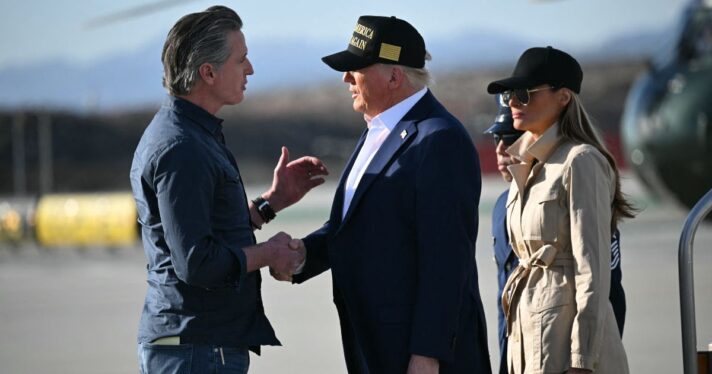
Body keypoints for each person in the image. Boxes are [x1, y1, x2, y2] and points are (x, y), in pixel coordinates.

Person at [274, 15, 491, 374]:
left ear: (394, 76)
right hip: (376, 347)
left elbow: (447, 257)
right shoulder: (380, 129)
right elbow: (359, 226)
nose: (346, 78)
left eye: (356, 68)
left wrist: (428, 354)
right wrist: (304, 257)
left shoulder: (440, 139)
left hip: (418, 357)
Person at [129, 6, 328, 374]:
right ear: (208, 72)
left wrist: (270, 204)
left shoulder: (191, 135)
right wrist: (268, 253)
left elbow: (207, 230)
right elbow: (196, 262)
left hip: (199, 348)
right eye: (241, 60)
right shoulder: (182, 148)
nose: (250, 69)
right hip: (196, 351)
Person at [486, 46, 635, 373]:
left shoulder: (581, 161)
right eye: (511, 93)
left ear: (563, 97)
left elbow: (593, 271)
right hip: (526, 342)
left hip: (566, 349)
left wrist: (582, 361)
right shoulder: (525, 167)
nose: (512, 101)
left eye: (524, 93)